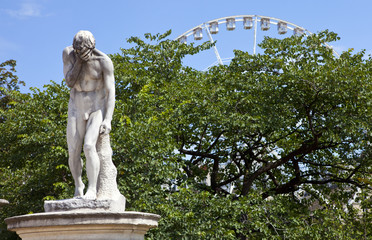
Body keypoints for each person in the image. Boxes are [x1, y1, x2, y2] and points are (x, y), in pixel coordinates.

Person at [63, 30, 115, 199]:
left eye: (84, 51)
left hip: (96, 107)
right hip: (76, 107)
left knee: (89, 146)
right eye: (77, 50)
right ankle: (79, 185)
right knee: (73, 150)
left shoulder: (103, 61)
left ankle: (92, 189)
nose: (81, 53)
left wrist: (108, 119)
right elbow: (70, 82)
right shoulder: (68, 54)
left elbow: (110, 92)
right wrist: (78, 61)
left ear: (92, 47)